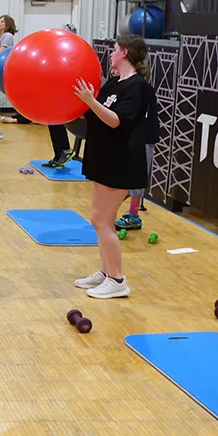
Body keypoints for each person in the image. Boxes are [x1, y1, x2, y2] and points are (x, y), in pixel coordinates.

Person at [71, 34, 154, 299]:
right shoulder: (114, 83)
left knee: (100, 220)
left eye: (115, 49)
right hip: (102, 158)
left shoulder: (137, 87)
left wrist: (90, 101)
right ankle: (105, 272)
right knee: (102, 221)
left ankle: (117, 279)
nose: (111, 53)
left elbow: (116, 120)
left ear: (125, 53)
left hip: (121, 162)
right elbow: (95, 114)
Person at [116, 81, 159, 231]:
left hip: (143, 139)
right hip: (132, 137)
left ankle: (133, 215)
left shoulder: (143, 89)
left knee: (137, 179)